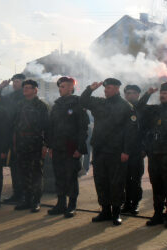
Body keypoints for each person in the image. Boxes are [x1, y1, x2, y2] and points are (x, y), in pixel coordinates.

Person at [80, 78, 137, 226]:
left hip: (116, 151)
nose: (106, 90)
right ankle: (105, 210)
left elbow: (131, 132)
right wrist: (90, 89)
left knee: (116, 183)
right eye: (105, 88)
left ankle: (116, 212)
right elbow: (83, 101)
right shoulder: (100, 102)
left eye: (109, 88)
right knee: (101, 181)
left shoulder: (126, 106)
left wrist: (126, 151)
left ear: (117, 89)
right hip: (99, 150)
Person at [137, 82, 167, 229]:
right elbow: (139, 107)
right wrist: (148, 93)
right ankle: (158, 213)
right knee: (156, 185)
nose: (162, 95)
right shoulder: (155, 110)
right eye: (161, 93)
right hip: (154, 154)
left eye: (166, 93)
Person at [48, 77, 89, 218]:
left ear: (71, 88)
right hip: (58, 146)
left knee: (70, 177)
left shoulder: (78, 104)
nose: (60, 89)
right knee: (59, 176)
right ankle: (60, 204)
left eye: (64, 86)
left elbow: (83, 128)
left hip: (71, 147)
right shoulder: (57, 105)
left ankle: (72, 205)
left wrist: (80, 148)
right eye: (60, 86)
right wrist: (50, 146)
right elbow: (51, 127)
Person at [14, 80, 49, 213]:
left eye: (29, 88)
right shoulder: (20, 105)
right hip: (22, 143)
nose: (25, 90)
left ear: (35, 90)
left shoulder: (41, 106)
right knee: (23, 173)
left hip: (36, 143)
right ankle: (26, 199)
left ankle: (36, 201)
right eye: (24, 88)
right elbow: (14, 124)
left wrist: (46, 144)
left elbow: (47, 127)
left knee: (36, 174)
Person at [0, 73, 26, 203]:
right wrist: (1, 87)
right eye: (14, 82)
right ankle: (17, 194)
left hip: (24, 138)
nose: (15, 84)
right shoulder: (10, 97)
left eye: (18, 81)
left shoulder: (26, 97)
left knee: (24, 168)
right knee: (14, 168)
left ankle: (25, 196)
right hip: (11, 136)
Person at [121, 84, 145, 215]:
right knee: (124, 179)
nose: (129, 95)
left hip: (136, 150)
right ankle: (126, 203)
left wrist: (144, 148)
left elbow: (147, 130)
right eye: (127, 93)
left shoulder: (143, 109)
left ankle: (135, 203)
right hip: (123, 150)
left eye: (132, 93)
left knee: (135, 179)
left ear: (138, 95)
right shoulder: (122, 108)